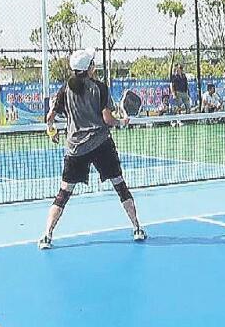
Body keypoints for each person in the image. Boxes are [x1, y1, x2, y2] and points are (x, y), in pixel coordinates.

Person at [38, 49, 146, 249]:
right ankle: (137, 228)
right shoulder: (100, 88)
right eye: (93, 63)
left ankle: (47, 235)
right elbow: (108, 120)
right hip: (101, 145)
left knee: (63, 194)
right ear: (89, 68)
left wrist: (51, 131)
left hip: (75, 149)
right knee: (120, 186)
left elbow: (49, 117)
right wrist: (122, 122)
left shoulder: (64, 89)